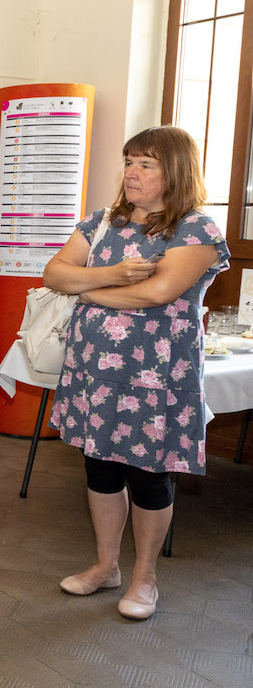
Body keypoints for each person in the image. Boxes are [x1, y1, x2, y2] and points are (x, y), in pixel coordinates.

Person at [44, 125, 229, 620]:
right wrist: (107, 276)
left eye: (146, 163)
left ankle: (145, 578)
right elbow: (54, 273)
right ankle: (107, 566)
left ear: (176, 171)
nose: (131, 171)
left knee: (148, 476)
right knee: (99, 468)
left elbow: (156, 293)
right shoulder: (103, 221)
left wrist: (85, 292)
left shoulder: (195, 229)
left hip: (156, 376)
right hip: (95, 372)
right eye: (129, 160)